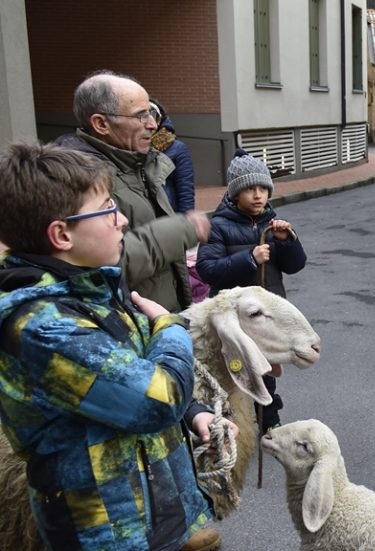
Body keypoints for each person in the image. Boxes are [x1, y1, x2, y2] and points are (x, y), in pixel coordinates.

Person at [0, 143, 226, 551]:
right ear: (62, 234)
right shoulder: (42, 327)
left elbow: (129, 372)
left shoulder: (94, 287)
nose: (122, 220)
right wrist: (170, 325)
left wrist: (192, 412)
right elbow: (158, 399)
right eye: (107, 209)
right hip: (110, 534)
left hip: (159, 517)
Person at [55, 70, 210, 313]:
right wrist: (180, 231)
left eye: (151, 112)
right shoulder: (76, 179)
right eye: (140, 116)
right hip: (129, 327)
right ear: (101, 124)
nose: (152, 124)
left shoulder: (140, 162)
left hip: (163, 319)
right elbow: (98, 267)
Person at [196, 149, 307, 431]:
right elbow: (207, 268)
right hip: (236, 317)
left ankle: (268, 422)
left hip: (265, 318)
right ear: (235, 194)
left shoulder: (273, 225)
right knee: (234, 369)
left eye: (263, 189)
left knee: (265, 371)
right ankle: (231, 422)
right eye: (249, 189)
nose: (258, 195)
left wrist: (287, 242)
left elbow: (295, 266)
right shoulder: (218, 226)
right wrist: (249, 258)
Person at [149, 98, 197, 213]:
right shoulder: (130, 146)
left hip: (168, 215)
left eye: (152, 115)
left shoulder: (177, 148)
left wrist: (184, 223)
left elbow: (185, 192)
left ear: (159, 120)